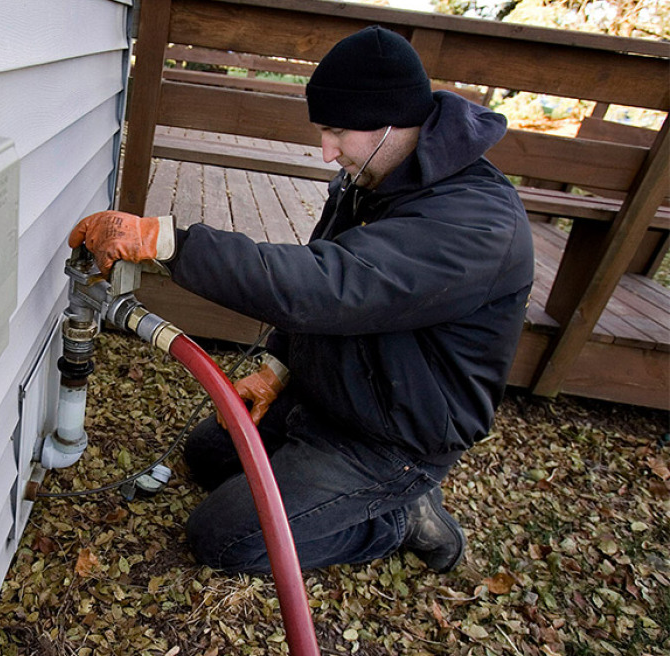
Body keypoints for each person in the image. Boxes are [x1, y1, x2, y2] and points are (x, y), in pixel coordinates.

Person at [67, 25, 533, 574]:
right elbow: (325, 270)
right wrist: (279, 367)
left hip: (388, 437)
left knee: (222, 540)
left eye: (337, 132)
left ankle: (398, 518)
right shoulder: (372, 177)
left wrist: (167, 243)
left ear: (389, 120)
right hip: (332, 396)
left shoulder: (476, 223)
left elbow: (326, 284)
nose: (327, 151)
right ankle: (318, 479)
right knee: (208, 454)